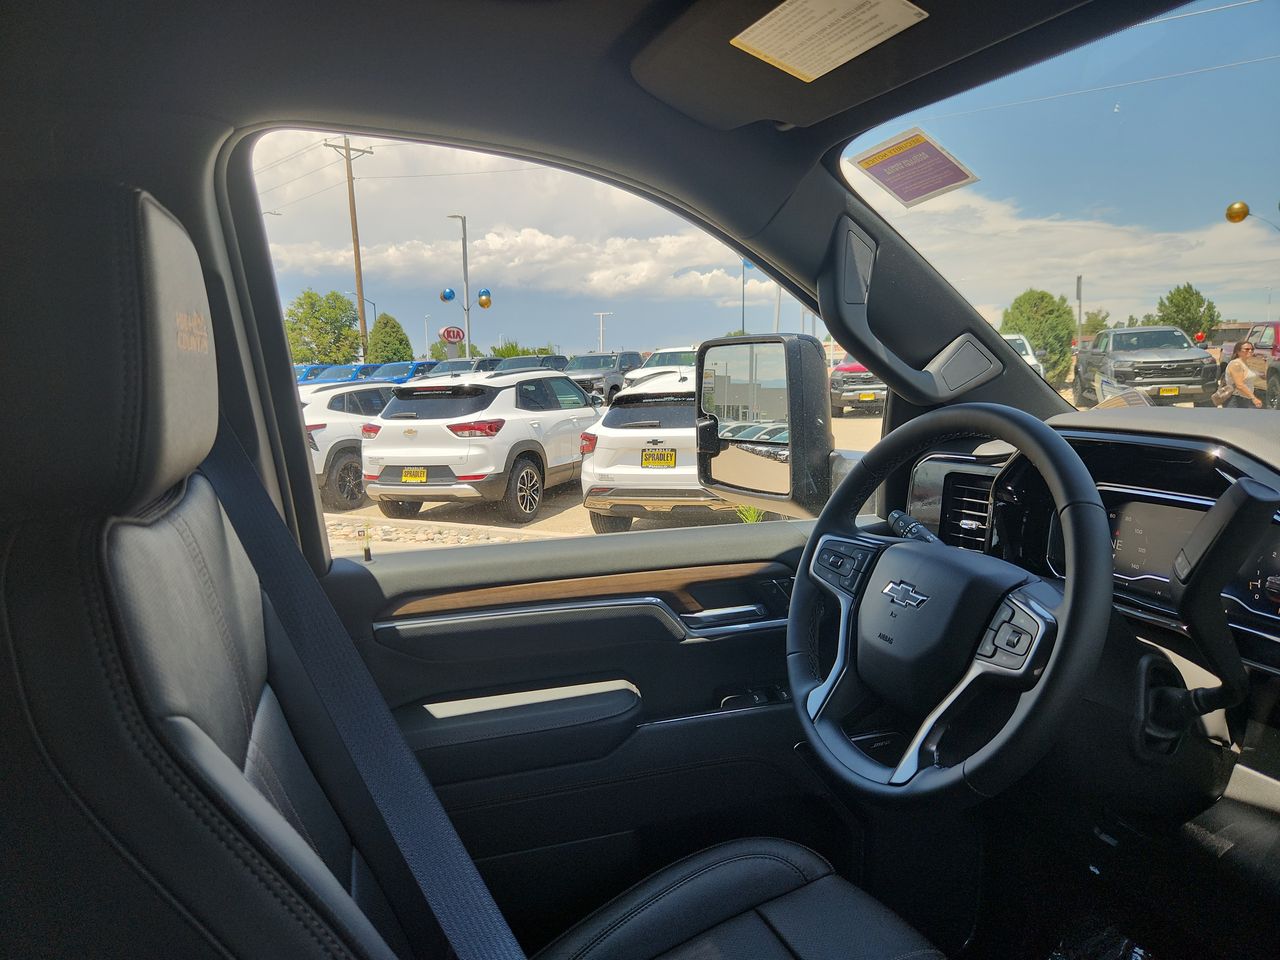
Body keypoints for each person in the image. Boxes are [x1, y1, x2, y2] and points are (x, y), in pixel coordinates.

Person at [1223, 340, 1263, 409]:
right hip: (1236, 400)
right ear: (1238, 351)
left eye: (1252, 349)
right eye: (1247, 349)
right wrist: (1254, 398)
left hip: (1246, 399)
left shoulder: (1245, 363)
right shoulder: (1236, 364)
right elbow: (1239, 385)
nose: (1250, 351)